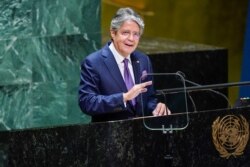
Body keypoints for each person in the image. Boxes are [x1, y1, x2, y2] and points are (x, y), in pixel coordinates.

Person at [78, 7, 171, 122]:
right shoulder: (93, 62)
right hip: (108, 135)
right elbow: (87, 102)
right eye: (126, 32)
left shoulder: (143, 60)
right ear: (113, 32)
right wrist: (124, 98)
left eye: (136, 34)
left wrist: (156, 107)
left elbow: (149, 98)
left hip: (141, 133)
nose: (131, 39)